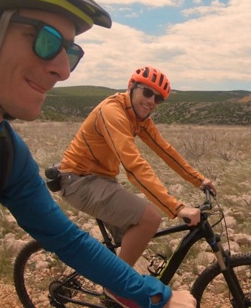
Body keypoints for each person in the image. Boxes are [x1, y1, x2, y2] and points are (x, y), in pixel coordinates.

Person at [0, 0, 195, 307]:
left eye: (71, 52)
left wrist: (156, 296)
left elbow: (65, 238)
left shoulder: (4, 152)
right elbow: (134, 162)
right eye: (45, 40)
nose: (63, 70)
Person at [59, 66, 217, 308]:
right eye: (147, 93)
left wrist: (198, 179)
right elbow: (134, 165)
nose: (151, 101)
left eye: (158, 99)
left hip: (101, 180)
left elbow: (165, 150)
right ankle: (115, 290)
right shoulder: (112, 112)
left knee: (131, 240)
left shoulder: (139, 118)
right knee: (150, 219)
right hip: (79, 181)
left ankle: (116, 286)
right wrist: (176, 207)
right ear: (131, 88)